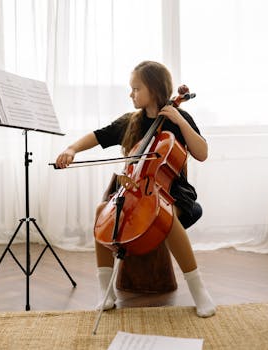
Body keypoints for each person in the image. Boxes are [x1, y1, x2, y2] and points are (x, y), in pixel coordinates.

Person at [54, 60, 216, 318]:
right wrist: (72, 149)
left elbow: (202, 153)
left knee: (165, 215)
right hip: (135, 190)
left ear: (154, 88)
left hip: (174, 193)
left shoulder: (178, 117)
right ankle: (105, 292)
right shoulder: (131, 121)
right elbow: (97, 136)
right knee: (101, 212)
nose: (131, 94)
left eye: (136, 88)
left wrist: (180, 121)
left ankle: (199, 291)